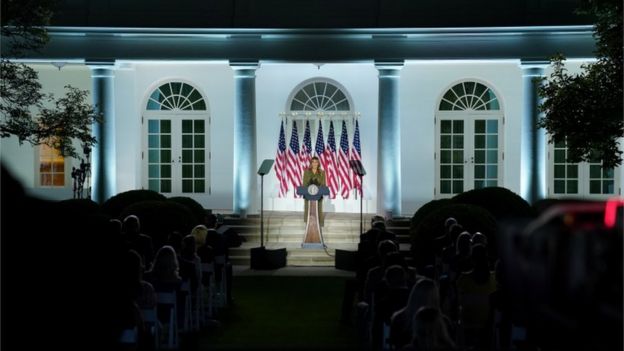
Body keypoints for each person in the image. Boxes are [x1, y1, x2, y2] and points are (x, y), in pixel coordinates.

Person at [302, 156, 327, 226]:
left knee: (319, 208)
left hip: (318, 194)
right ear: (311, 163)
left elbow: (323, 184)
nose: (314, 164)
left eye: (316, 162)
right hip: (308, 194)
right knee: (308, 208)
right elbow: (304, 183)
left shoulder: (322, 172)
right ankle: (307, 223)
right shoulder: (306, 172)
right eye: (313, 162)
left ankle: (319, 223)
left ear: (318, 163)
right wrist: (308, 190)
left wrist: (318, 190)